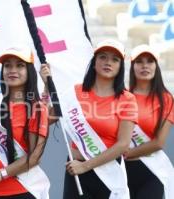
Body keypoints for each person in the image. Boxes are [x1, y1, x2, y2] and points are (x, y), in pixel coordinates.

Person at [40, 39, 138, 199]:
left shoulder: (127, 99)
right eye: (103, 57)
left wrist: (85, 166)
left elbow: (123, 144)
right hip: (76, 171)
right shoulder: (74, 93)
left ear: (121, 66)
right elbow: (43, 120)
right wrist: (46, 86)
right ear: (94, 62)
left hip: (107, 174)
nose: (108, 62)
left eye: (115, 59)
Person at [0, 47, 50, 199]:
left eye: (20, 65)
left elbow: (34, 157)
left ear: (29, 71)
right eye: (8, 65)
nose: (12, 70)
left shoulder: (36, 108)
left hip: (21, 190)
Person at [125, 44, 174, 199]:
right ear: (132, 66)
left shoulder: (166, 99)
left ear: (156, 66)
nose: (145, 66)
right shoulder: (122, 97)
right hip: (122, 172)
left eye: (150, 61)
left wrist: (127, 154)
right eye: (139, 61)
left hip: (152, 171)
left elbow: (159, 143)